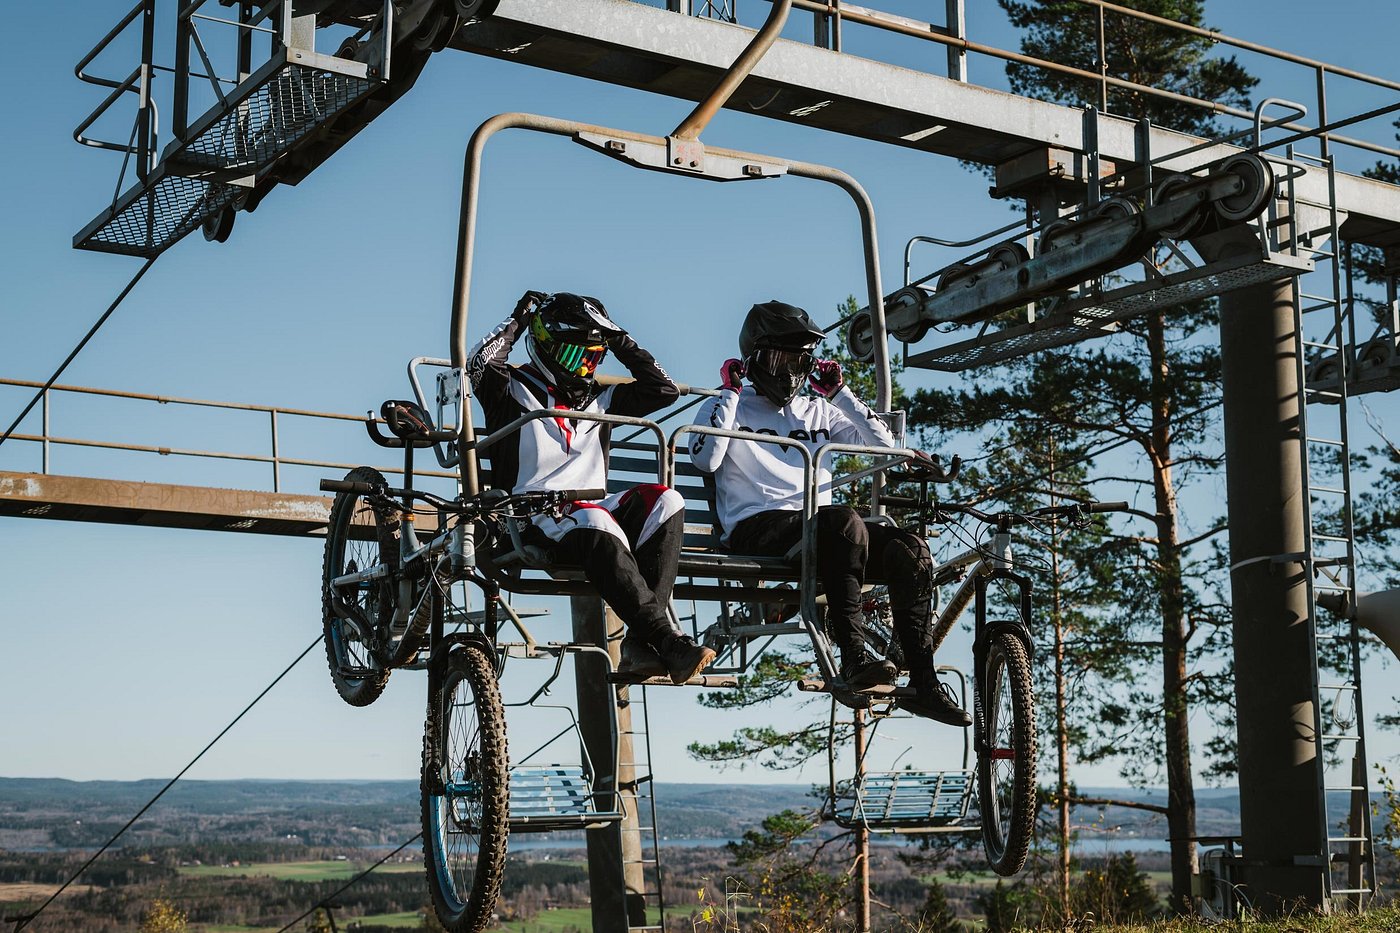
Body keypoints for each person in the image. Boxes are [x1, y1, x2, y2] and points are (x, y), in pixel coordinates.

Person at [689, 301, 970, 725]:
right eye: (780, 358)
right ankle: (854, 658)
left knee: (909, 548)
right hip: (758, 526)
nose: (789, 371)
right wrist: (729, 390)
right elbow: (705, 460)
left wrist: (840, 394)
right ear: (754, 359)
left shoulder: (817, 411)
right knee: (844, 522)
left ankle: (924, 684)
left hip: (827, 532)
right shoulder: (733, 407)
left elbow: (887, 450)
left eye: (800, 359)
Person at [468, 290, 716, 684]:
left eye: (595, 357)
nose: (586, 367)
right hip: (531, 515)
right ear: (547, 347)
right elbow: (480, 361)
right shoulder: (509, 389)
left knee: (667, 499)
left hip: (589, 514)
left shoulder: (601, 397)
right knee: (595, 518)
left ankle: (639, 643)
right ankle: (668, 640)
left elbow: (663, 390)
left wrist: (617, 338)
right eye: (578, 356)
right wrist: (518, 320)